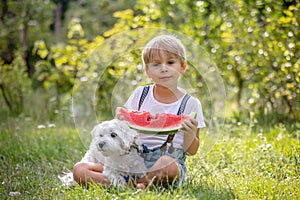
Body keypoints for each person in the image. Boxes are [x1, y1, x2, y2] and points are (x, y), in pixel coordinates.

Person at [73, 34, 206, 189]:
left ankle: (126, 185)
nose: (164, 68)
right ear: (147, 71)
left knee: (168, 165)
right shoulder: (140, 95)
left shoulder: (191, 103)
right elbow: (125, 130)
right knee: (80, 170)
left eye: (170, 62)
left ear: (182, 67)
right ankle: (136, 185)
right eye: (156, 64)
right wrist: (120, 122)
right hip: (132, 161)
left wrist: (190, 134)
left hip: (165, 163)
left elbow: (192, 151)